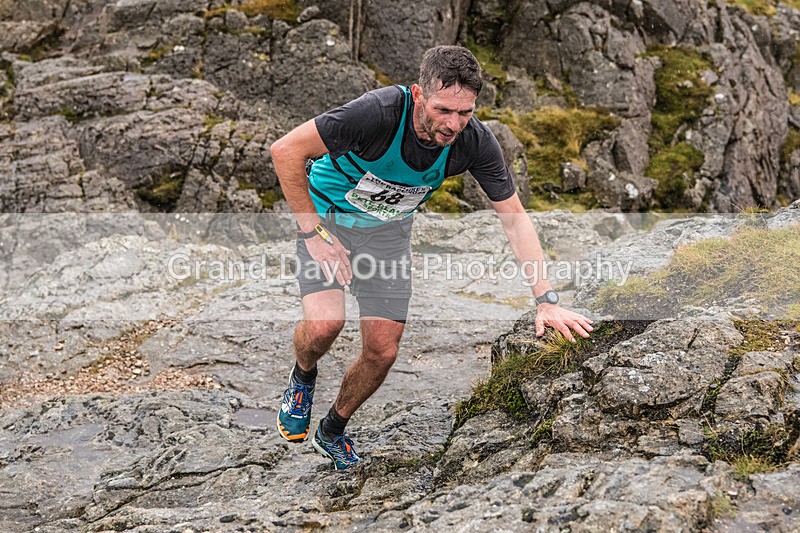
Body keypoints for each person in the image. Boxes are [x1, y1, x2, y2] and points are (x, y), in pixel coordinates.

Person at [270, 45, 593, 470]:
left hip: (386, 237)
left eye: (465, 112)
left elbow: (514, 218)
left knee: (383, 351)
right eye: (444, 110)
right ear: (419, 93)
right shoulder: (377, 113)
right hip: (328, 225)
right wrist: (312, 234)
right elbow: (285, 151)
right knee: (324, 326)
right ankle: (303, 376)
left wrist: (546, 300)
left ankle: (332, 431)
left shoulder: (474, 141)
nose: (453, 123)